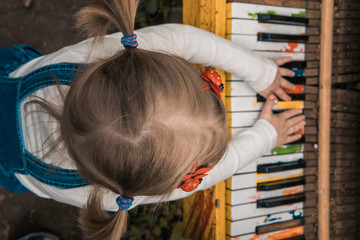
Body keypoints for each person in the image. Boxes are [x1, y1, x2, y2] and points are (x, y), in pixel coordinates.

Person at [0, 0, 305, 239]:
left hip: (10, 81)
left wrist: (261, 72)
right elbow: (213, 175)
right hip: (11, 166)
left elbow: (184, 39)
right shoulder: (111, 194)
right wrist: (267, 135)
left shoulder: (113, 57)